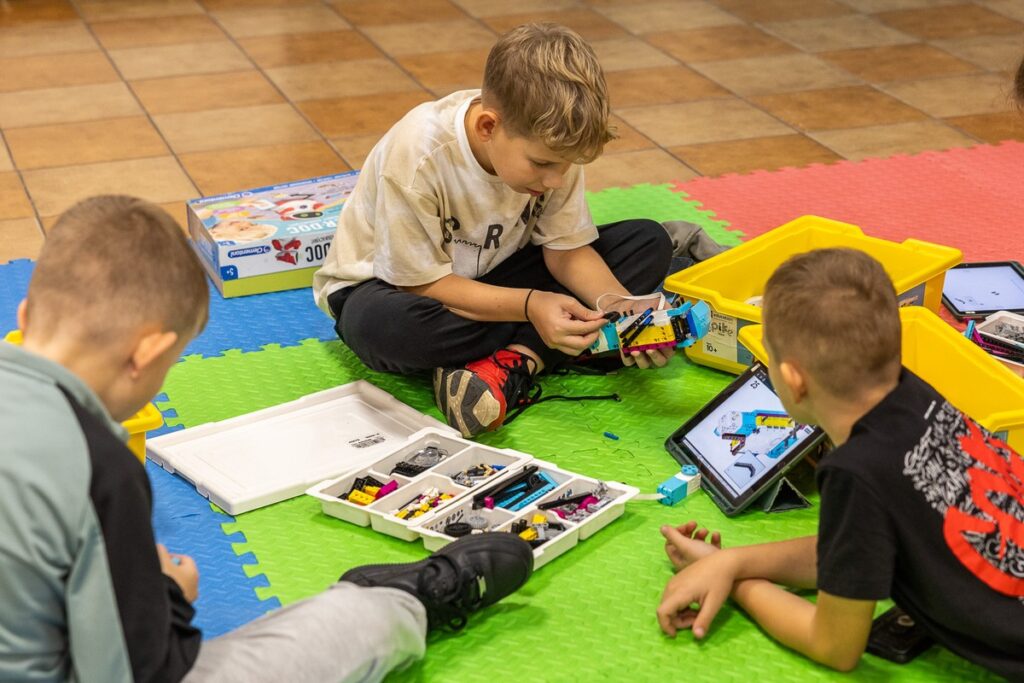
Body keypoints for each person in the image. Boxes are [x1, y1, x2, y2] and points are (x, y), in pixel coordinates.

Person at [0, 196, 534, 683]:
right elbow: (138, 671)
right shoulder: (99, 465)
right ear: (147, 354)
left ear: (27, 316)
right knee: (344, 631)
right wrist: (168, 597)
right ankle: (403, 601)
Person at [655, 249, 1024, 679]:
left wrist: (739, 586)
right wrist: (729, 561)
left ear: (793, 380)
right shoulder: (913, 392)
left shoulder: (854, 472)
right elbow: (852, 551)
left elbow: (834, 645)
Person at [313, 23, 684, 439]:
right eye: (542, 164)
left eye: (566, 166)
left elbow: (566, 251)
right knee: (381, 328)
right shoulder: (418, 152)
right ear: (488, 127)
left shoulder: (555, 148)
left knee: (648, 241)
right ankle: (552, 343)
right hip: (399, 289)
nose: (555, 180)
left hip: (496, 281)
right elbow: (419, 283)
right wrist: (533, 306)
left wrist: (618, 304)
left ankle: (513, 361)